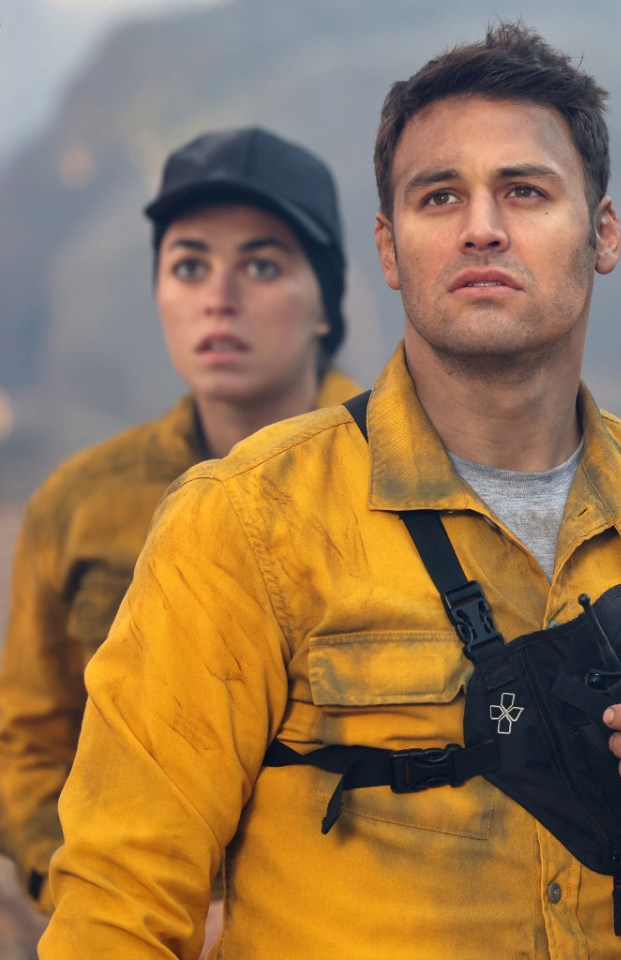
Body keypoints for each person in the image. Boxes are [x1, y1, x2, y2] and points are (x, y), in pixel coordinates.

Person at [38, 24, 621, 960]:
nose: (481, 226)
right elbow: (117, 902)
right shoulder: (248, 520)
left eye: (525, 190)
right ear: (390, 249)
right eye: (439, 196)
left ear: (604, 232)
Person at [0, 126, 360, 917]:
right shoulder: (80, 503)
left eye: (261, 265)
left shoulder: (402, 479)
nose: (218, 296)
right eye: (189, 264)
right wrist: (86, 890)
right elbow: (26, 745)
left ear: (327, 304)